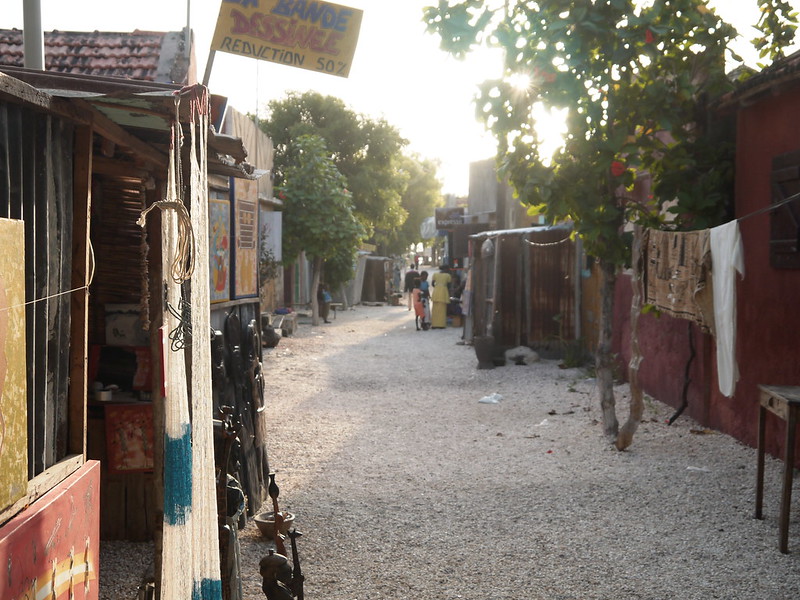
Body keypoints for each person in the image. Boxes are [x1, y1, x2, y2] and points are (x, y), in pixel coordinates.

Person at [430, 265, 452, 329]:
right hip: (443, 292)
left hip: (436, 291)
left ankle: (434, 324)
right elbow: (449, 285)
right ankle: (441, 325)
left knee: (435, 309)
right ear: (446, 269)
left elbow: (432, 284)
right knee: (442, 309)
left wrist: (437, 287)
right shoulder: (447, 275)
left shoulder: (435, 275)